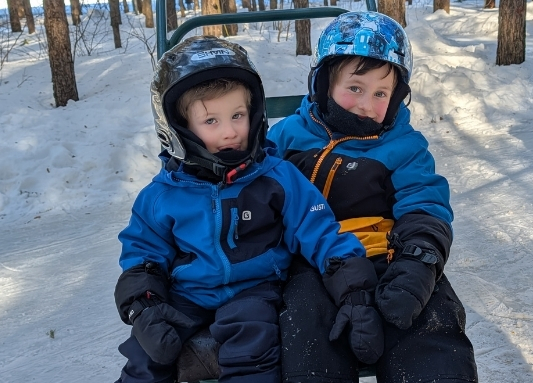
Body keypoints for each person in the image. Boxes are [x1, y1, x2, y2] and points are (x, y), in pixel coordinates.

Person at [112, 35, 385, 383]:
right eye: (211, 121)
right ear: (179, 128)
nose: (230, 132)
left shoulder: (276, 177)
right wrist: (144, 305)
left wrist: (355, 292)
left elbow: (320, 232)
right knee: (144, 357)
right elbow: (142, 252)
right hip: (186, 293)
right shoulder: (163, 193)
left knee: (253, 350)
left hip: (253, 289)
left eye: (238, 115)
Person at [268, 12, 479, 383]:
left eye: (381, 93)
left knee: (430, 327)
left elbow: (424, 205)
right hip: (312, 265)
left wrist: (418, 264)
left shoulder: (404, 147)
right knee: (307, 331)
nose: (367, 104)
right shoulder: (287, 137)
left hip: (388, 257)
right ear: (323, 84)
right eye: (355, 88)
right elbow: (252, 188)